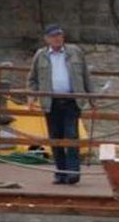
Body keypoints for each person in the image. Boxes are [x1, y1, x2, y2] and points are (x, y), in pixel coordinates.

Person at [26, 24, 92, 184]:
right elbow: (32, 79)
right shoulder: (40, 55)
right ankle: (60, 173)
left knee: (72, 137)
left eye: (60, 36)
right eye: (54, 36)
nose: (57, 39)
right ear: (47, 39)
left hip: (71, 100)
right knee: (55, 139)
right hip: (50, 102)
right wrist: (32, 97)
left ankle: (73, 173)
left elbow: (85, 76)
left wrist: (92, 98)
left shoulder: (75, 52)